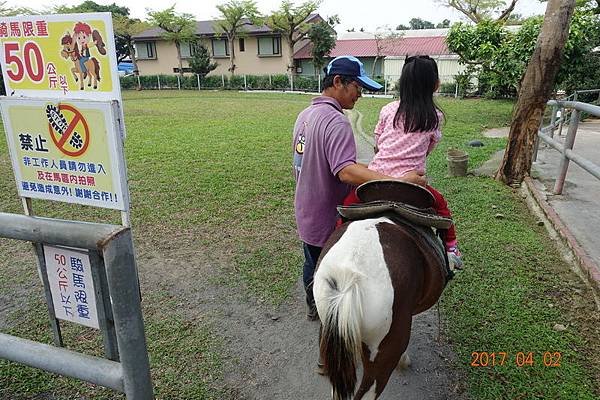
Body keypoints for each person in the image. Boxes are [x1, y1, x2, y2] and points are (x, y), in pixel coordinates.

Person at [292, 56, 426, 321]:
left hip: (305, 206)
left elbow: (319, 160)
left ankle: (313, 305)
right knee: (329, 268)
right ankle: (330, 313)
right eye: (358, 87)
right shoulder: (337, 121)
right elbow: (345, 171)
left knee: (311, 259)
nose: (360, 95)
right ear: (339, 82)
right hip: (328, 212)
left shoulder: (306, 115)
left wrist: (372, 168)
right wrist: (397, 181)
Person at [367, 55, 463, 269]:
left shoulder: (388, 109)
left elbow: (377, 141)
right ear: (436, 85)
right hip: (412, 184)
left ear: (403, 83)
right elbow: (428, 148)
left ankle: (333, 235)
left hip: (375, 181)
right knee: (441, 206)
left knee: (347, 204)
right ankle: (451, 246)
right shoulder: (433, 116)